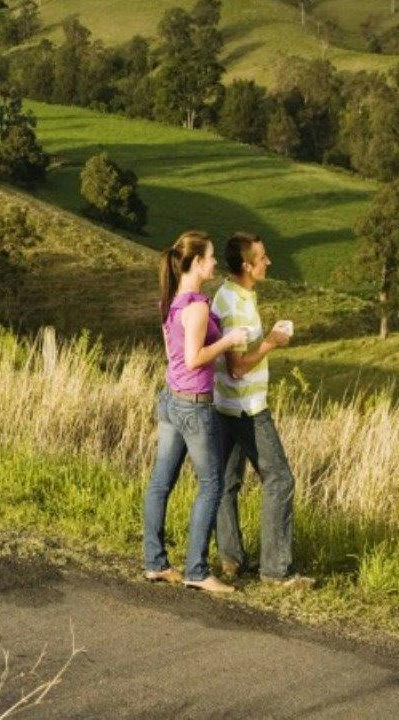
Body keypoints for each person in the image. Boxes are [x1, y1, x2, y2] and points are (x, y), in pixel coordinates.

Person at [144, 229, 254, 592]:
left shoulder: (171, 300)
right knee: (212, 484)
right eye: (209, 257)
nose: (215, 262)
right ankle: (197, 570)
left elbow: (172, 353)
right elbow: (193, 359)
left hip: (171, 399)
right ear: (194, 263)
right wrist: (228, 340)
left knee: (162, 482)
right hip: (193, 406)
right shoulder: (196, 306)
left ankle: (155, 563)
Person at [211, 233, 313, 586]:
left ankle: (231, 559)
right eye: (262, 257)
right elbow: (238, 366)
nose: (268, 262)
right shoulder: (234, 304)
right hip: (246, 406)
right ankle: (275, 570)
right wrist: (271, 342)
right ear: (246, 266)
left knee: (226, 482)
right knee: (280, 479)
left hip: (224, 402)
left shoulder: (231, 295)